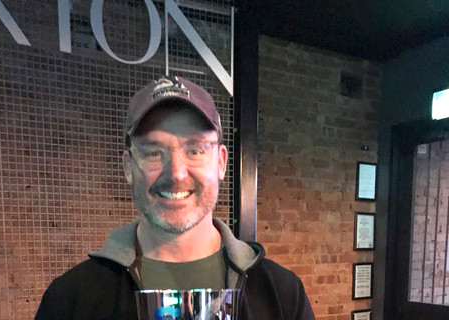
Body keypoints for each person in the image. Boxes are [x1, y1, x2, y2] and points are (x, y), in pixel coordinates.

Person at [35, 75, 315, 319]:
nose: (177, 173)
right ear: (128, 167)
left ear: (220, 162)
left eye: (194, 150)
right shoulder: (71, 300)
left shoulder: (281, 294)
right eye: (153, 152)